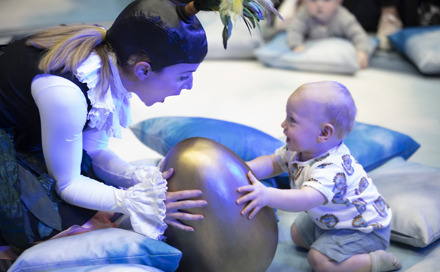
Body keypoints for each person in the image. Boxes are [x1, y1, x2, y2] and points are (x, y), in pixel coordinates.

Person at [0, 0, 212, 256]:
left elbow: (93, 151)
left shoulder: (113, 59)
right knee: (54, 222)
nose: (188, 86)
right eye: (183, 76)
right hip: (10, 134)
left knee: (97, 202)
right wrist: (132, 202)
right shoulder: (66, 94)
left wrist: (137, 177)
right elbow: (68, 184)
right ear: (143, 69)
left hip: (27, 127)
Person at [236, 81, 402, 272]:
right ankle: (332, 245)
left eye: (292, 120)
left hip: (364, 230)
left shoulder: (332, 169)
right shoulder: (299, 149)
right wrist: (241, 168)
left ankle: (377, 261)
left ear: (323, 133)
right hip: (332, 219)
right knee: (297, 234)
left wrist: (267, 195)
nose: (283, 125)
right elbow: (272, 162)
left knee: (319, 262)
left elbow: (305, 199)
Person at [286, 0, 371, 69]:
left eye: (326, 0)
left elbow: (358, 34)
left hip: (337, 52)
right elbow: (294, 30)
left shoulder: (343, 17)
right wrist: (296, 45)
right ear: (304, 1)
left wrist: (361, 51)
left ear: (338, 2)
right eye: (313, 0)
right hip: (315, 54)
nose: (319, 4)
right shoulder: (303, 14)